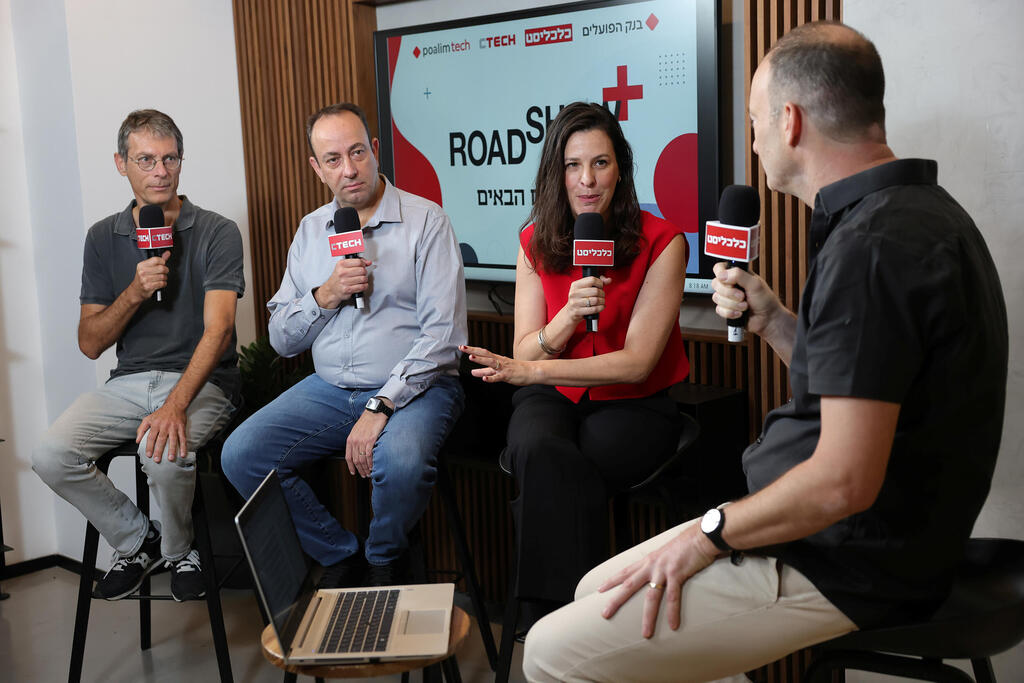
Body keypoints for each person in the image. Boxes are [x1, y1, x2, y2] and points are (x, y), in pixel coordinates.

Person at [520, 21, 1009, 682]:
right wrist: (776, 319)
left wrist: (710, 531)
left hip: (842, 558)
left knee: (551, 650)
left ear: (791, 120)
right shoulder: (917, 213)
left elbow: (843, 480)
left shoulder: (873, 248)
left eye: (754, 122)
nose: (752, 141)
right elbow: (868, 382)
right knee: (593, 592)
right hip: (847, 535)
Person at [221, 103, 467, 587]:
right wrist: (325, 295)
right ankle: (339, 554)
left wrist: (380, 406)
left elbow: (443, 339)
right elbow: (281, 339)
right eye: (332, 159)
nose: (349, 169)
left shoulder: (426, 221)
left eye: (357, 152)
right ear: (317, 169)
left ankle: (382, 559)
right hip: (330, 390)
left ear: (375, 150)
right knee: (242, 454)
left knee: (401, 461)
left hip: (416, 389)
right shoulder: (312, 231)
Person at [462, 102, 690, 614]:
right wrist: (566, 318)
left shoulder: (663, 241)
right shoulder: (533, 241)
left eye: (601, 163)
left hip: (634, 402)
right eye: (572, 165)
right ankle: (584, 622)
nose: (587, 179)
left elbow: (636, 363)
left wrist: (533, 370)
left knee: (562, 467)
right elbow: (524, 346)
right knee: (538, 448)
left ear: (621, 168)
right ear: (556, 173)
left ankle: (544, 621)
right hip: (551, 396)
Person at [32, 109, 245, 602]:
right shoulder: (103, 238)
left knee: (164, 455)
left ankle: (181, 550)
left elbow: (220, 330)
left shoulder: (217, 230)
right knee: (49, 454)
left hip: (203, 381)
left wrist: (173, 406)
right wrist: (133, 291)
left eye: (169, 159)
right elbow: (89, 343)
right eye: (146, 159)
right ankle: (138, 539)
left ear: (181, 161)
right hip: (127, 382)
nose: (160, 171)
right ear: (121, 163)